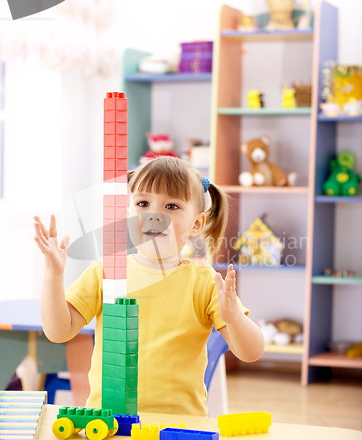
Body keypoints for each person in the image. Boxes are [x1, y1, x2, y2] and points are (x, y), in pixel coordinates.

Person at [34, 156, 264, 417]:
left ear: (196, 224)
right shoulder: (106, 272)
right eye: (143, 203)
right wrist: (54, 273)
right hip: (107, 424)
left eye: (172, 206)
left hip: (177, 429)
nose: (155, 215)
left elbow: (251, 352)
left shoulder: (205, 282)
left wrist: (234, 319)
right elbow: (58, 331)